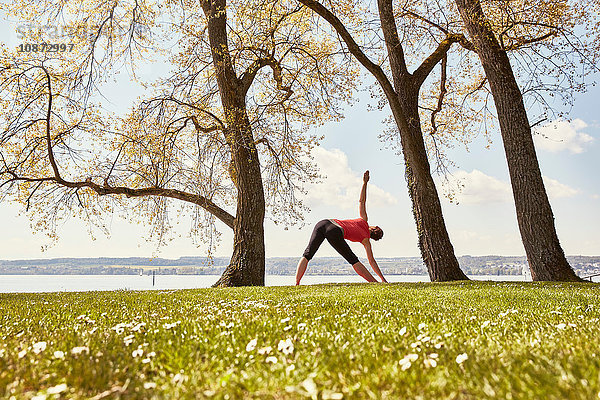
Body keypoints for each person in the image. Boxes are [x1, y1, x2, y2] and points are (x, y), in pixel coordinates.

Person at [296, 170, 388, 285]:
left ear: (374, 228)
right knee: (353, 260)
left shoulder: (364, 220)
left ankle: (297, 283)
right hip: (335, 231)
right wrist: (382, 278)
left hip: (324, 222)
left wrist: (365, 183)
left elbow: (362, 201)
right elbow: (372, 261)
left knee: (307, 254)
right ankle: (374, 282)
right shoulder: (366, 241)